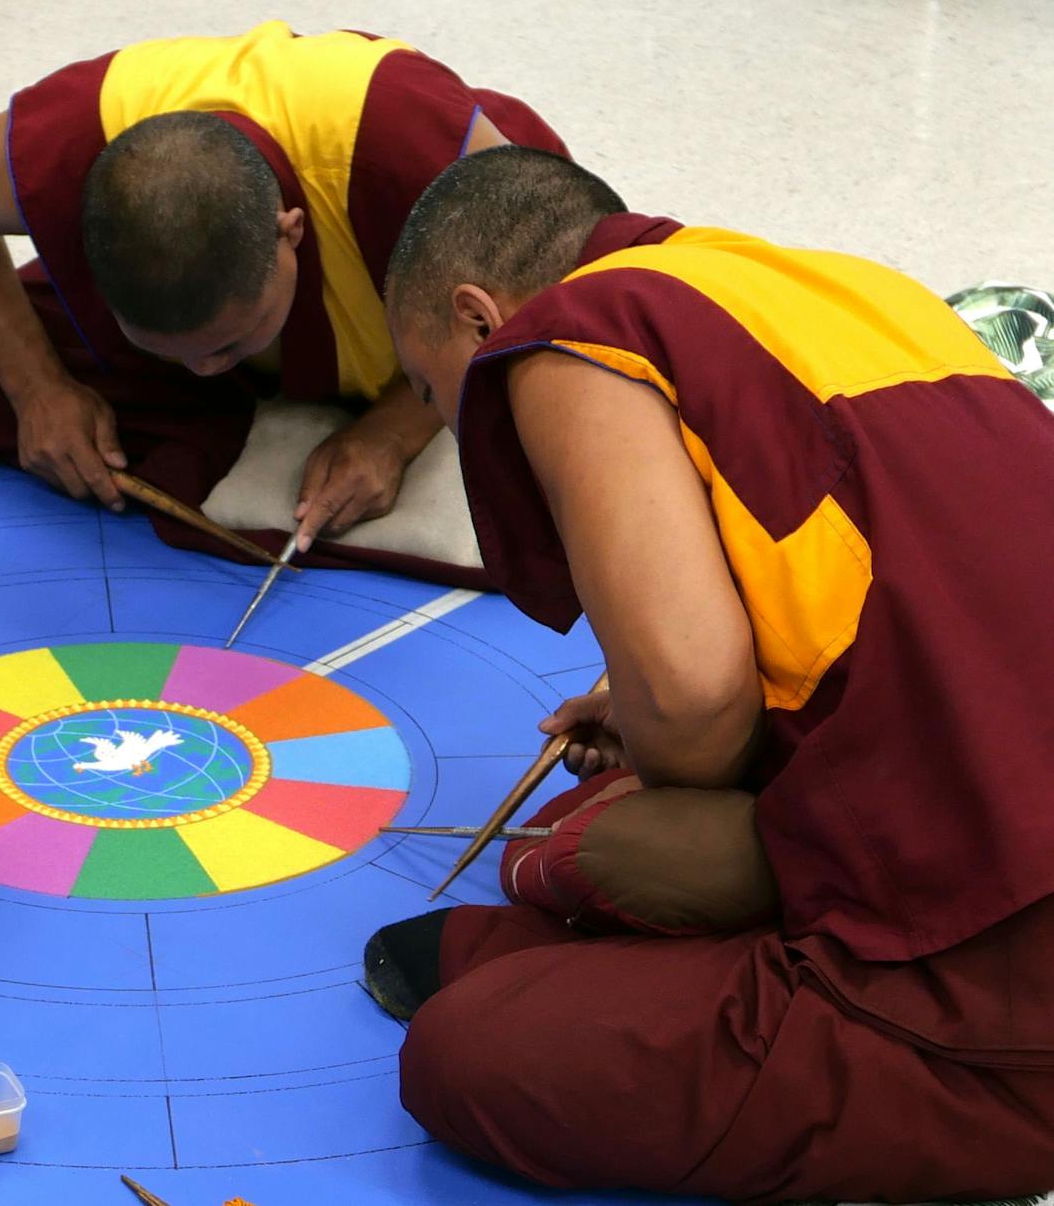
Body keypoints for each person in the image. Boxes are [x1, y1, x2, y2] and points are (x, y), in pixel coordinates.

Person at [364, 146, 1054, 1201]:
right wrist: (649, 705)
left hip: (999, 951)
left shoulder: (563, 341)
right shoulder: (830, 286)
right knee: (589, 828)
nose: (446, 423)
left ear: (477, 319)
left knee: (467, 1055)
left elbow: (691, 704)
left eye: (427, 388)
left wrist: (661, 721)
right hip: (989, 788)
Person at [0, 20, 564, 579]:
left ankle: (281, 417)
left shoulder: (396, 137)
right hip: (225, 293)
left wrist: (393, 434)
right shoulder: (79, 133)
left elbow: (538, 278)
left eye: (230, 344)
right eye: (178, 354)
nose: (203, 371)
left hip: (426, 266)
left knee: (555, 406)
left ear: (289, 232)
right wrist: (38, 389)